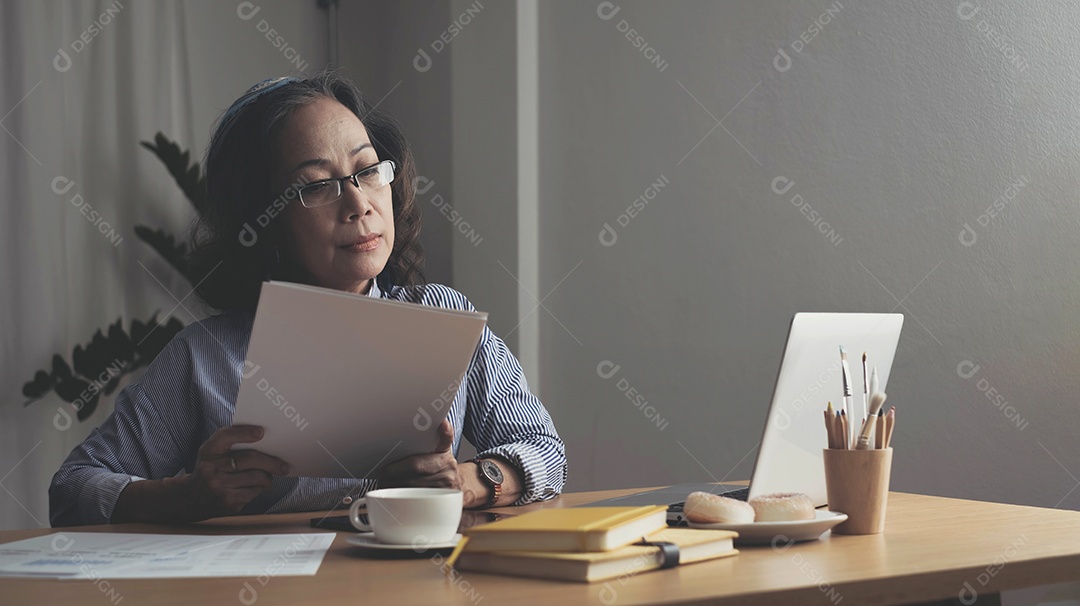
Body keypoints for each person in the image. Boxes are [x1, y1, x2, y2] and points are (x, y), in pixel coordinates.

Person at [49, 72, 567, 526]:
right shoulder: (204, 356)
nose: (359, 204)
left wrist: (472, 481)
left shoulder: (443, 315)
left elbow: (546, 451)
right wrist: (185, 496)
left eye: (368, 171)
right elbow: (71, 490)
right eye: (317, 186)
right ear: (263, 220)